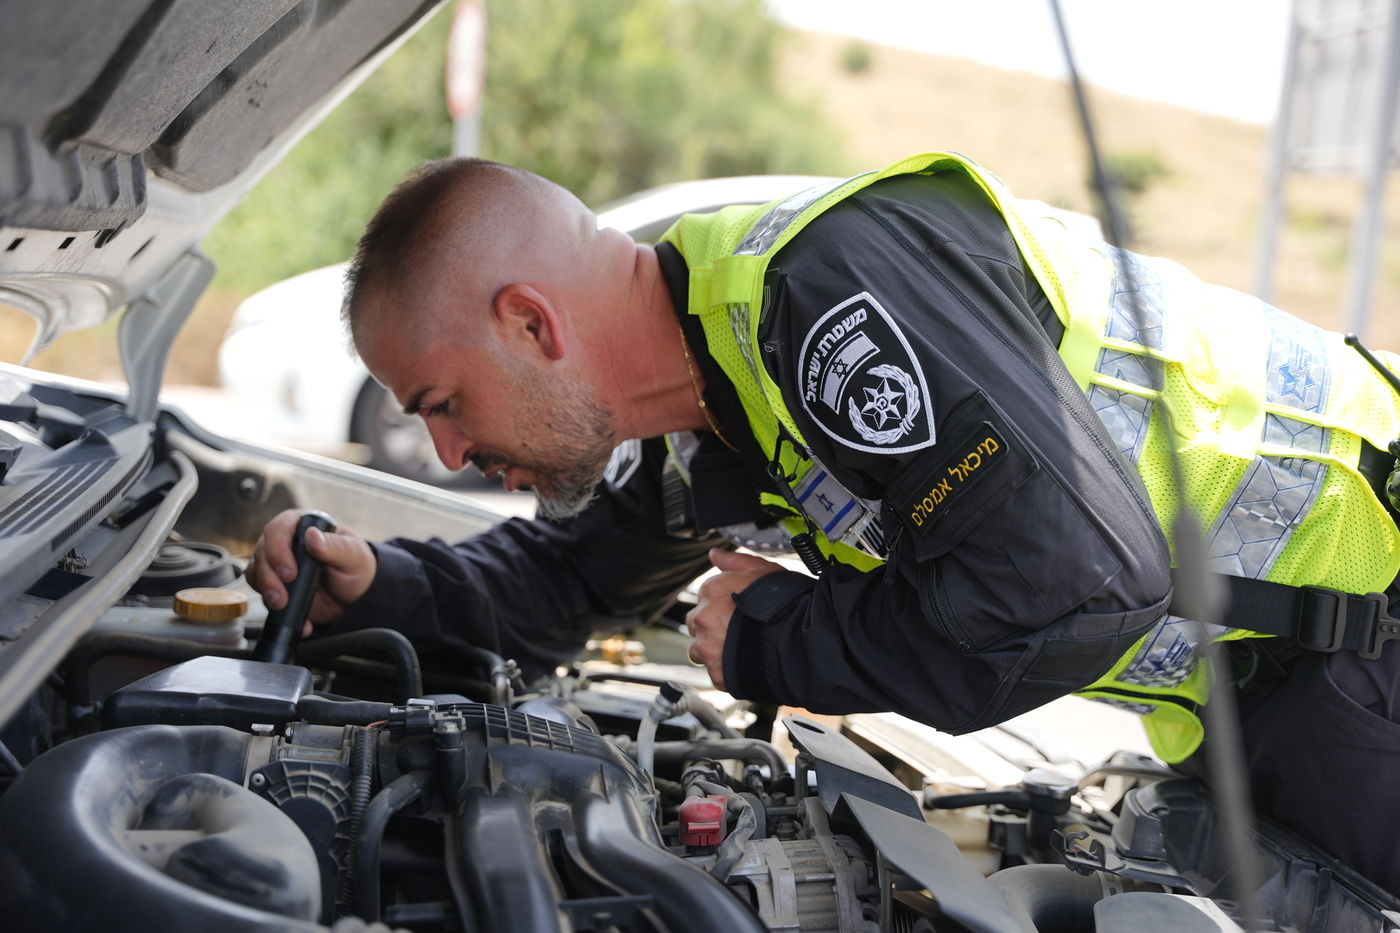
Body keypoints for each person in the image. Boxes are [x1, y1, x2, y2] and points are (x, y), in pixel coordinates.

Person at [250, 152, 1400, 893]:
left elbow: (1073, 587)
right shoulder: (710, 389)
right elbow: (567, 578)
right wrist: (387, 587)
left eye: (442, 404)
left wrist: (780, 643)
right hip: (1267, 689)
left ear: (529, 323)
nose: (447, 453)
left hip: (1369, 631)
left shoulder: (824, 297)